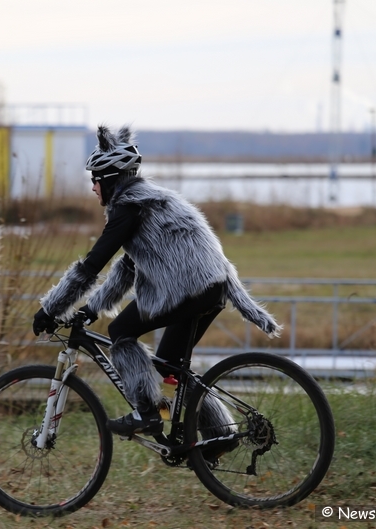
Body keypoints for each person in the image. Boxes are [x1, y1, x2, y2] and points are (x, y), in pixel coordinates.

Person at [33, 125, 282, 437]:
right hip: (213, 287)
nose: (93, 187)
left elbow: (92, 265)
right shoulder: (149, 203)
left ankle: (146, 414)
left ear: (110, 180)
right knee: (169, 366)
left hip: (188, 288)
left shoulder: (127, 208)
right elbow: (128, 267)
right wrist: (92, 308)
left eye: (95, 179)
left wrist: (51, 308)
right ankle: (222, 435)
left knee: (120, 332)